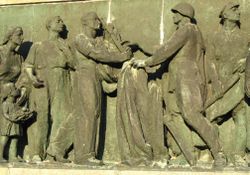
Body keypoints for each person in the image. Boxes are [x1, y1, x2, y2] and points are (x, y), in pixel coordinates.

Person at [132, 2, 226, 167]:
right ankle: (188, 154)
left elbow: (166, 49)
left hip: (186, 77)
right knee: (175, 116)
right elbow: (164, 48)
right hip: (178, 78)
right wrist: (142, 46)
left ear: (183, 14)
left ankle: (218, 152)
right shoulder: (188, 31)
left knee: (191, 115)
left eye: (176, 12)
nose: (173, 15)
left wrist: (146, 62)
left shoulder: (187, 29)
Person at [73, 12, 132, 165]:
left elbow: (109, 52)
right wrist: (122, 57)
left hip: (96, 77)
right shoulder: (80, 39)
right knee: (89, 112)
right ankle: (83, 155)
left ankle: (89, 153)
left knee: (95, 112)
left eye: (99, 19)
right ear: (86, 22)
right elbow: (97, 55)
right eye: (95, 19)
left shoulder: (99, 40)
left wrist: (122, 49)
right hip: (85, 76)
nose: (99, 22)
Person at [24, 16, 75, 162]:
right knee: (42, 117)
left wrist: (66, 50)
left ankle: (55, 151)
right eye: (58, 21)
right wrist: (32, 78)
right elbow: (28, 65)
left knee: (62, 115)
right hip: (42, 81)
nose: (62, 23)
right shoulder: (38, 45)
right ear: (49, 25)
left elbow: (73, 64)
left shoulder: (64, 44)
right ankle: (36, 153)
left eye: (62, 21)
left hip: (62, 80)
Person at [206, 2, 250, 167]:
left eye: (238, 9)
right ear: (224, 15)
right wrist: (215, 82)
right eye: (233, 9)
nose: (238, 12)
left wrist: (246, 60)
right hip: (219, 85)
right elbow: (209, 60)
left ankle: (238, 155)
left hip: (238, 84)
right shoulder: (214, 36)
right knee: (210, 118)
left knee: (241, 117)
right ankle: (216, 152)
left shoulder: (245, 37)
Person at [0, 26, 27, 162]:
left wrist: (22, 92)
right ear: (10, 36)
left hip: (12, 95)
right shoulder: (0, 52)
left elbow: (22, 78)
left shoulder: (19, 57)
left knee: (12, 128)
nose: (22, 38)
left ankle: (12, 155)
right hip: (1, 93)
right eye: (19, 35)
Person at [0, 83, 33, 163]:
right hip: (7, 124)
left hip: (15, 125)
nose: (17, 89)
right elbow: (5, 114)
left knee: (15, 140)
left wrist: (24, 112)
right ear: (9, 93)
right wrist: (12, 118)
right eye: (14, 88)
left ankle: (13, 156)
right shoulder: (5, 104)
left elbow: (18, 112)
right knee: (4, 140)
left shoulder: (15, 105)